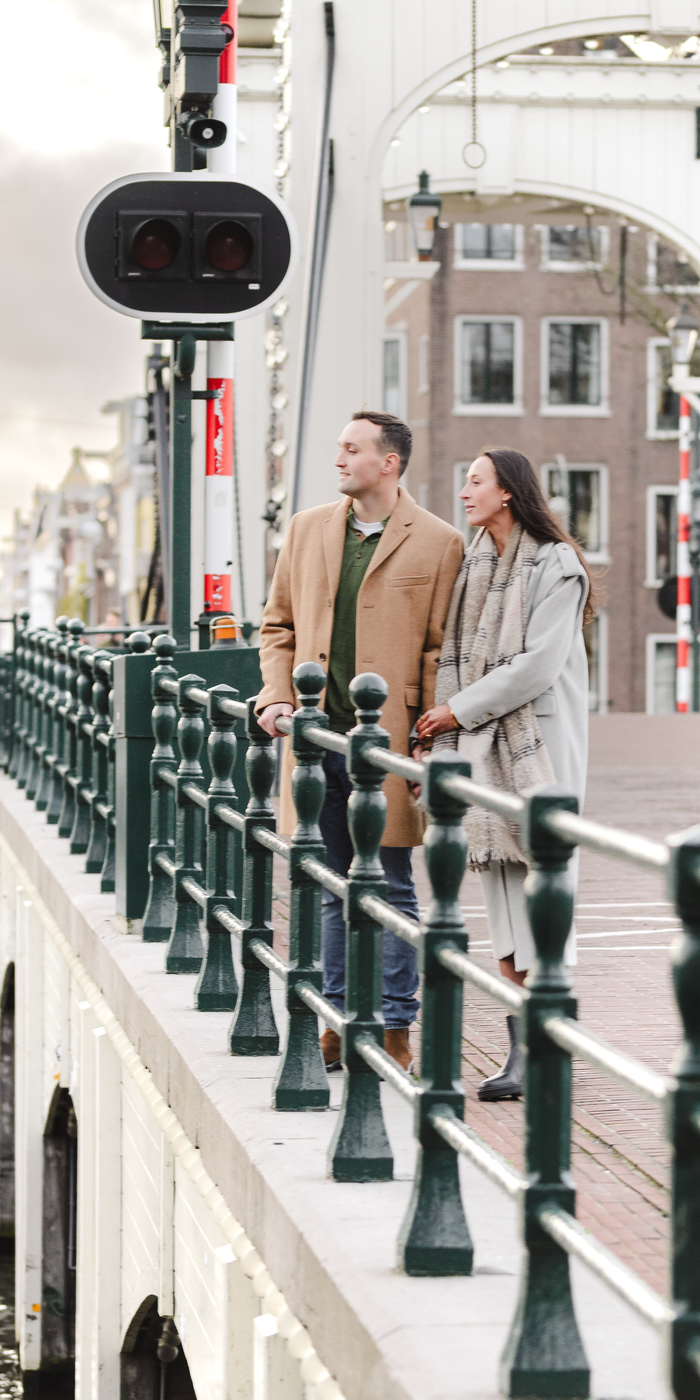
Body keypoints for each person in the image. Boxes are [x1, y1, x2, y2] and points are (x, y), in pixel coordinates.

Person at [256, 412, 464, 1071]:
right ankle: (340, 1019)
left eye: (352, 449)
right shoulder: (307, 529)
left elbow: (439, 649)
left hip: (390, 747)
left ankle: (397, 1024)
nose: (339, 459)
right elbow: (278, 626)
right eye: (339, 447)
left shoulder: (438, 542)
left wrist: (428, 741)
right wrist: (276, 695)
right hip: (317, 743)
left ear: (390, 462)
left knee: (393, 882)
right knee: (325, 885)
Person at [415, 447, 593, 1102]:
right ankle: (522, 1045)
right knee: (500, 894)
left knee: (544, 891)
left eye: (475, 481)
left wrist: (453, 712)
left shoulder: (558, 567)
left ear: (508, 493)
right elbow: (458, 655)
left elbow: (539, 666)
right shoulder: (475, 566)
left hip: (537, 749)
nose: (464, 492)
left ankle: (545, 1048)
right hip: (486, 747)